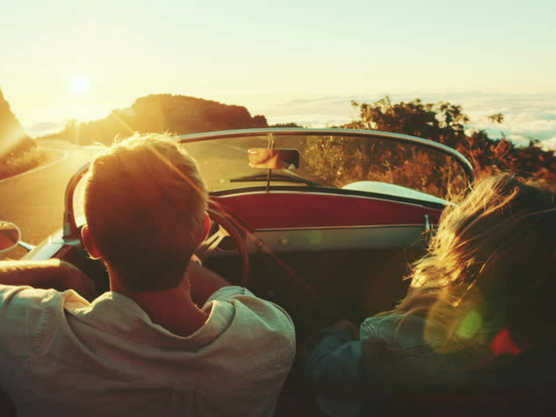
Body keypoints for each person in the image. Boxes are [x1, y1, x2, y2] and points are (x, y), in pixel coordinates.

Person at [0, 133, 296, 416]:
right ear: (203, 231)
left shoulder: (32, 333)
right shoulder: (273, 335)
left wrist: (60, 271)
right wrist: (186, 259)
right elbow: (232, 296)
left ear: (90, 243)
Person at [304, 173, 556, 416]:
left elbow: (324, 374)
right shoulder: (538, 353)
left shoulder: (397, 339)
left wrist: (335, 334)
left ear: (462, 249)